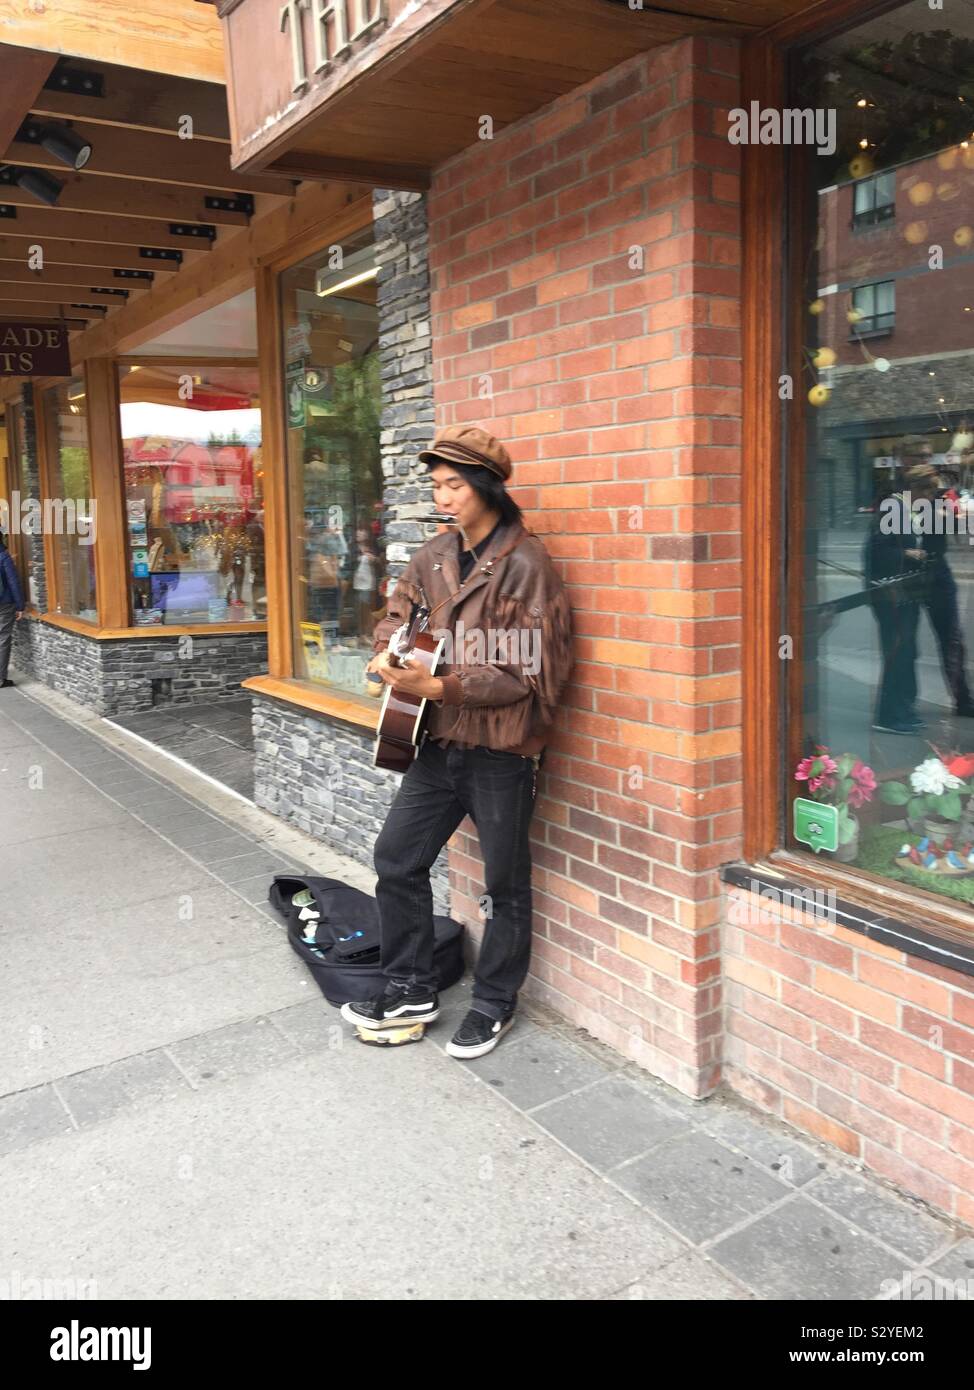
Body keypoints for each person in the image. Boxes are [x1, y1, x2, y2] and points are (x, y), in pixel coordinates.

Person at [340, 425, 574, 1058]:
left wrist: (440, 685)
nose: (443, 497)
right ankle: (411, 987)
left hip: (501, 753)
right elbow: (399, 613)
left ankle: (494, 1003)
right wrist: (389, 653)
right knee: (396, 861)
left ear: (488, 489)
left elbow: (527, 673)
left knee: (504, 885)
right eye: (437, 485)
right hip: (437, 745)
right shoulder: (434, 555)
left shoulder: (527, 565)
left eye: (455, 485)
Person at [0, 533, 25, 688]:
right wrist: (20, 606)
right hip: (4, 603)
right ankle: (1, 678)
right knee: (3, 638)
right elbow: (13, 582)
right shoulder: (3, 556)